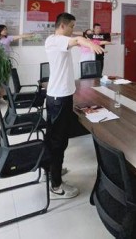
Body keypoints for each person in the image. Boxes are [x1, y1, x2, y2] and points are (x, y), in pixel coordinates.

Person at [45, 13, 104, 199]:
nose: (73, 30)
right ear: (62, 26)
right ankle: (56, 185)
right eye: (71, 26)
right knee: (58, 141)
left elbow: (76, 39)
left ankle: (52, 170)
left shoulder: (56, 40)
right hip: (59, 99)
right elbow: (78, 40)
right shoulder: (57, 40)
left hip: (58, 96)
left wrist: (85, 41)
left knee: (55, 138)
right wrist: (91, 43)